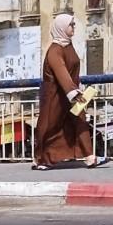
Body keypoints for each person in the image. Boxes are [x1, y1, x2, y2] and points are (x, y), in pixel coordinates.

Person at [31, 14, 106, 171]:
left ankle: (90, 157)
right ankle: (42, 159)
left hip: (70, 94)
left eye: (73, 24)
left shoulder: (68, 46)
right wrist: (73, 92)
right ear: (61, 28)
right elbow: (61, 71)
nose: (73, 27)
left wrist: (74, 91)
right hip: (56, 97)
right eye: (71, 24)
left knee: (80, 121)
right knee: (50, 126)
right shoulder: (54, 51)